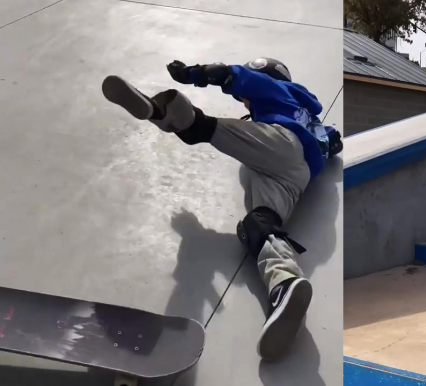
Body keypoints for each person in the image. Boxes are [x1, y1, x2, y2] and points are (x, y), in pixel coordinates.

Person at [100, 57, 342, 361]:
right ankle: (285, 284)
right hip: (298, 176)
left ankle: (164, 111)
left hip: (281, 145)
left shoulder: (279, 89)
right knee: (260, 225)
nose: (245, 104)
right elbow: (333, 141)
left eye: (246, 102)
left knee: (204, 128)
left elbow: (235, 76)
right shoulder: (312, 116)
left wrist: (195, 73)